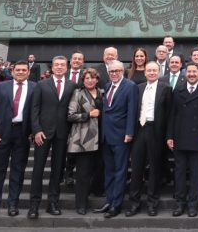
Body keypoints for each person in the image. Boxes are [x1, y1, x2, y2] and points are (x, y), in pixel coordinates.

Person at [0, 61, 35, 218]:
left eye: (23, 70)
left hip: (22, 134)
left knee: (18, 172)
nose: (20, 72)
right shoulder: (1, 87)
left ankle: (13, 204)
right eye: (17, 70)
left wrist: (34, 130)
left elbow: (36, 111)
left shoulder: (35, 87)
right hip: (1, 134)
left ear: (28, 72)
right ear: (12, 72)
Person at [28, 56, 76, 219]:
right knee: (38, 169)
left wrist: (71, 132)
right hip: (42, 133)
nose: (60, 67)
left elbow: (72, 110)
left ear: (67, 67)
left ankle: (52, 202)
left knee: (58, 170)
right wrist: (36, 130)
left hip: (63, 134)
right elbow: (34, 109)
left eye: (63, 65)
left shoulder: (72, 85)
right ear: (52, 67)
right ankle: (34, 204)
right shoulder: (41, 85)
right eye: (57, 65)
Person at [167, 62, 198, 217]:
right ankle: (180, 204)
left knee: (195, 173)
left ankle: (192, 204)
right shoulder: (178, 90)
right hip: (180, 136)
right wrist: (170, 136)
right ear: (185, 73)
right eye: (189, 72)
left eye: (195, 72)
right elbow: (172, 115)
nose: (192, 74)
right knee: (179, 172)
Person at [127, 62, 172, 217]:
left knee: (154, 169)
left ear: (159, 72)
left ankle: (152, 204)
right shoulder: (138, 88)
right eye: (149, 70)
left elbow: (169, 115)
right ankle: (134, 203)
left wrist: (168, 135)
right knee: (136, 169)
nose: (151, 73)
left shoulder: (166, 88)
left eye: (154, 70)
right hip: (139, 130)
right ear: (145, 73)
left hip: (156, 131)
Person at [94, 60, 138, 218]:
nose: (114, 74)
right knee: (109, 170)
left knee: (120, 171)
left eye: (117, 71)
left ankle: (116, 205)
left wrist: (129, 132)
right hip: (106, 135)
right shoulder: (107, 86)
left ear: (122, 71)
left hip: (121, 136)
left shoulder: (130, 86)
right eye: (111, 71)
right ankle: (109, 200)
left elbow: (132, 110)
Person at [66, 68, 103, 215]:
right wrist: (88, 114)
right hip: (83, 139)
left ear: (97, 79)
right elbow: (70, 115)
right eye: (87, 78)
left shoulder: (103, 93)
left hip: (101, 137)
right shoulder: (78, 93)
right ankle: (81, 204)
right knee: (82, 173)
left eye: (93, 78)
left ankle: (96, 193)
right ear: (83, 80)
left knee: (97, 169)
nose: (90, 80)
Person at [64, 51, 85, 186]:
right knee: (63, 149)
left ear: (83, 62)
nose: (77, 60)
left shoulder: (86, 76)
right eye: (74, 58)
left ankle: (70, 174)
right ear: (70, 61)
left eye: (79, 59)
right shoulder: (63, 74)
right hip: (62, 118)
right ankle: (62, 174)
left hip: (79, 118)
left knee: (75, 148)